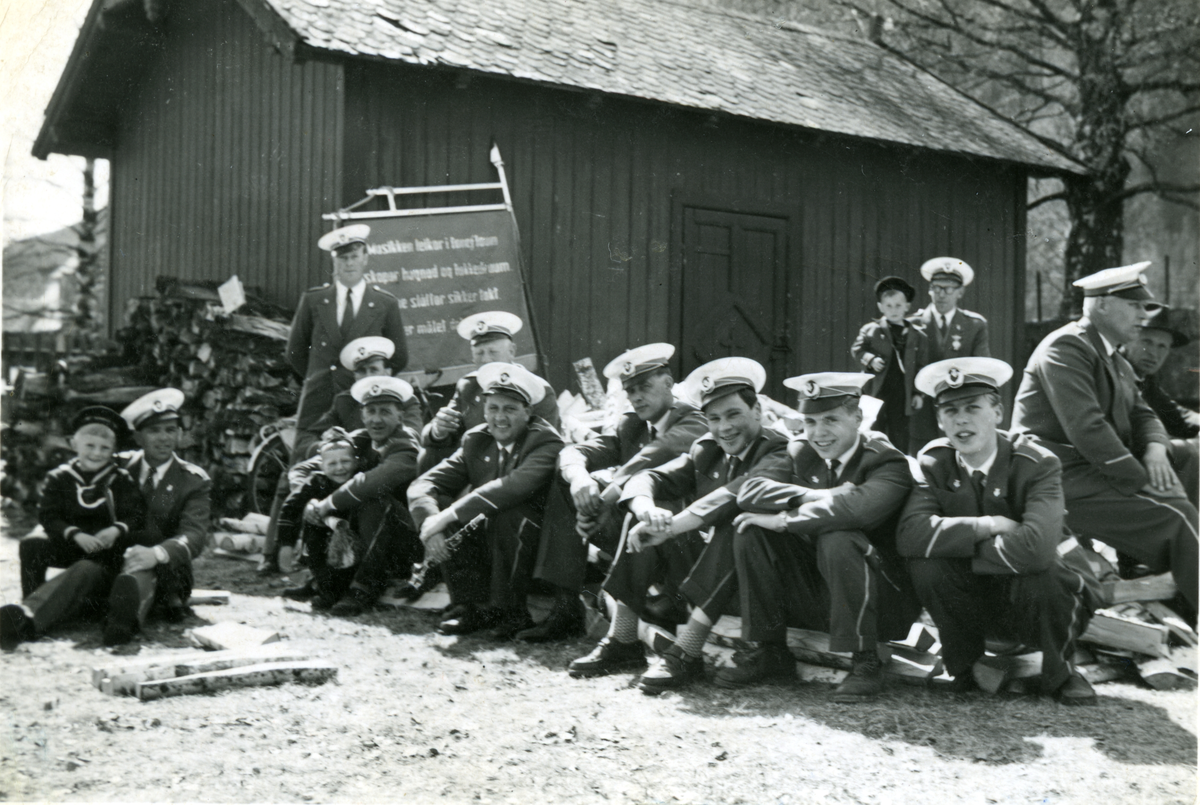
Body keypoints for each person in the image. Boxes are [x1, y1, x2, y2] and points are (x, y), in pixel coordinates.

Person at [568, 358, 791, 694]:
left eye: (733, 414)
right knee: (651, 510)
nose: (724, 428)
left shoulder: (779, 449)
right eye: (714, 419)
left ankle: (686, 650)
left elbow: (735, 495)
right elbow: (649, 477)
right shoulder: (707, 449)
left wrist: (670, 526)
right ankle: (623, 639)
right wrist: (646, 511)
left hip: (766, 588)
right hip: (712, 582)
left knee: (739, 525)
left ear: (757, 409)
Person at [899, 358, 1102, 703]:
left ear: (997, 412)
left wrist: (958, 547)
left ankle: (1063, 672)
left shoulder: (1037, 464)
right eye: (949, 410)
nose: (961, 419)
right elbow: (909, 536)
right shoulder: (935, 462)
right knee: (927, 565)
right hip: (982, 598)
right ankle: (959, 665)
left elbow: (1035, 549)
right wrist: (988, 525)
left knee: (1046, 570)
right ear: (938, 419)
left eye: (972, 407)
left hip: (1044, 601)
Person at [1012, 261, 1197, 619]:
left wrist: (1157, 450)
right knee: (1178, 515)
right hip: (1050, 477)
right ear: (1103, 304)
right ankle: (1184, 584)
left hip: (1083, 469)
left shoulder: (1111, 355)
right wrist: (1144, 482)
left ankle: (1173, 580)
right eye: (1133, 305)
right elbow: (1089, 431)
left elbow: (1142, 413)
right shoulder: (1067, 347)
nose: (1141, 314)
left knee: (1191, 458)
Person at [731, 373, 920, 702]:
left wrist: (784, 521)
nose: (818, 433)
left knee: (838, 535)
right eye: (810, 421)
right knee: (751, 530)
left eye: (831, 420)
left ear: (857, 417)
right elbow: (750, 491)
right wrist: (809, 496)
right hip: (825, 592)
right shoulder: (804, 452)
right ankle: (771, 651)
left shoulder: (884, 459)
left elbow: (856, 510)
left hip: (884, 604)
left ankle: (866, 662)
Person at [528, 343, 708, 643]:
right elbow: (576, 451)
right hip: (641, 533)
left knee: (646, 499)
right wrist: (578, 479)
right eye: (630, 389)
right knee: (566, 483)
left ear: (668, 383)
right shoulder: (632, 423)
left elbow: (652, 457)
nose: (636, 396)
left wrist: (605, 500)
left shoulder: (693, 419)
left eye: (644, 387)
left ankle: (647, 613)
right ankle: (565, 605)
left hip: (683, 539)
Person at [260, 224, 407, 575]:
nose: (349, 263)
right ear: (334, 262)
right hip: (319, 397)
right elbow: (295, 352)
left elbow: (398, 357)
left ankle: (342, 554)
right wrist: (318, 379)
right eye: (342, 258)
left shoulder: (384, 303)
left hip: (363, 399)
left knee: (353, 469)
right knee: (298, 472)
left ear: (366, 258)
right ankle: (273, 552)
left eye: (355, 256)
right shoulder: (314, 300)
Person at [408, 362, 565, 639]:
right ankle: (473, 608)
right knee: (447, 511)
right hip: (493, 534)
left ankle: (512, 612)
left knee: (505, 514)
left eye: (510, 409)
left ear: (528, 413)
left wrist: (444, 518)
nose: (499, 418)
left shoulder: (545, 440)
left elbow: (512, 487)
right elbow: (424, 484)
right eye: (493, 408)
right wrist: (431, 523)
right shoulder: (476, 440)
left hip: (539, 541)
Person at [2, 407, 146, 649]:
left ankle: (29, 619)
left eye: (105, 448)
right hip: (72, 544)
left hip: (102, 557)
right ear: (74, 444)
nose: (96, 453)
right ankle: (33, 600)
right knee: (32, 545)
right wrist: (75, 534)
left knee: (84, 568)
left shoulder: (120, 479)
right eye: (89, 446)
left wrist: (116, 530)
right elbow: (48, 515)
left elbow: (136, 515)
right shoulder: (60, 477)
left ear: (113, 451)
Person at [285, 376, 423, 616]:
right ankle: (324, 581)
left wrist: (327, 503)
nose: (376, 419)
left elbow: (368, 484)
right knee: (323, 494)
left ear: (400, 415)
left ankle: (364, 588)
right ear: (362, 414)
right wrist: (311, 500)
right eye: (370, 411)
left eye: (385, 412)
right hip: (368, 538)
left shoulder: (405, 445)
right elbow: (304, 468)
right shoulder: (360, 440)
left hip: (405, 543)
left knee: (370, 498)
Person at [419, 311, 559, 473]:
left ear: (512, 351)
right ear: (472, 357)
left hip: (515, 469)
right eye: (479, 353)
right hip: (473, 469)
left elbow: (543, 448)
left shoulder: (538, 390)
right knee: (428, 456)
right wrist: (439, 431)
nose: (485, 359)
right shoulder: (469, 386)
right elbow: (439, 433)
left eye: (493, 352)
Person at [909, 257, 990, 451]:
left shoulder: (974, 325)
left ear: (960, 292)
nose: (941, 295)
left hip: (959, 412)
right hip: (920, 414)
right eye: (936, 288)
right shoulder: (912, 324)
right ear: (929, 290)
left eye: (948, 289)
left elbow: (981, 369)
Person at [277, 428, 362, 608]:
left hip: (352, 536)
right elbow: (291, 506)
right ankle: (319, 583)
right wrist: (286, 544)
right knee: (313, 525)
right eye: (332, 464)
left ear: (356, 462)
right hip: (322, 536)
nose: (339, 468)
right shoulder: (318, 481)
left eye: (345, 461)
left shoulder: (360, 481)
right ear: (322, 466)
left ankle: (332, 593)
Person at [1123, 307, 1198, 506]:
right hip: (1114, 462)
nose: (1154, 354)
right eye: (1147, 342)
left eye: (1162, 347)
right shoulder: (1113, 369)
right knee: (1187, 452)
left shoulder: (1146, 379)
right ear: (1127, 339)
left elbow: (1173, 413)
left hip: (1139, 455)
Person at [851, 276, 928, 454]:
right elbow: (857, 349)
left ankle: (899, 462)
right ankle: (870, 462)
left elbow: (921, 367)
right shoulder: (871, 329)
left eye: (898, 305)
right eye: (888, 306)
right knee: (872, 426)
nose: (893, 310)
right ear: (880, 307)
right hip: (877, 390)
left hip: (903, 392)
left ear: (907, 306)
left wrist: (919, 394)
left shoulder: (918, 336)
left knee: (899, 431)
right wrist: (870, 359)